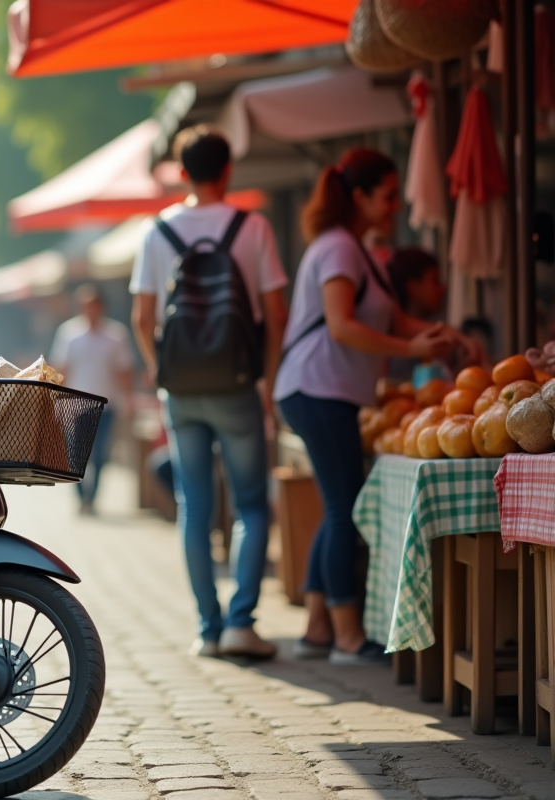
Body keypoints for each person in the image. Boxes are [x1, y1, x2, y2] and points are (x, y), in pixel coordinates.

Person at [274, 148, 472, 665]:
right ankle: (345, 637)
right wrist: (412, 350)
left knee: (337, 507)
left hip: (323, 390)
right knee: (344, 509)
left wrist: (437, 334)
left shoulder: (354, 249)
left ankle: (320, 630)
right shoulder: (339, 249)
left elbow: (389, 318)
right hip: (319, 389)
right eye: (387, 196)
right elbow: (342, 325)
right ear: (358, 197)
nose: (394, 205)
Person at [130, 126, 288, 660]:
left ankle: (208, 628)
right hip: (238, 384)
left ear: (181, 172)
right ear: (227, 171)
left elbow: (142, 318)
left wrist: (161, 372)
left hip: (182, 389)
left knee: (193, 506)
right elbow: (276, 314)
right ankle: (243, 620)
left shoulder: (158, 231)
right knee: (250, 505)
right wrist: (265, 380)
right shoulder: (252, 227)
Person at [50, 284, 133, 514]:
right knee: (76, 454)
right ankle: (80, 496)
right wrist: (56, 398)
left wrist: (128, 399)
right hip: (75, 404)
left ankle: (92, 498)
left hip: (106, 404)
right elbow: (60, 369)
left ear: (101, 306)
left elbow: (124, 370)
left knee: (100, 454)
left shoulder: (116, 335)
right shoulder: (68, 333)